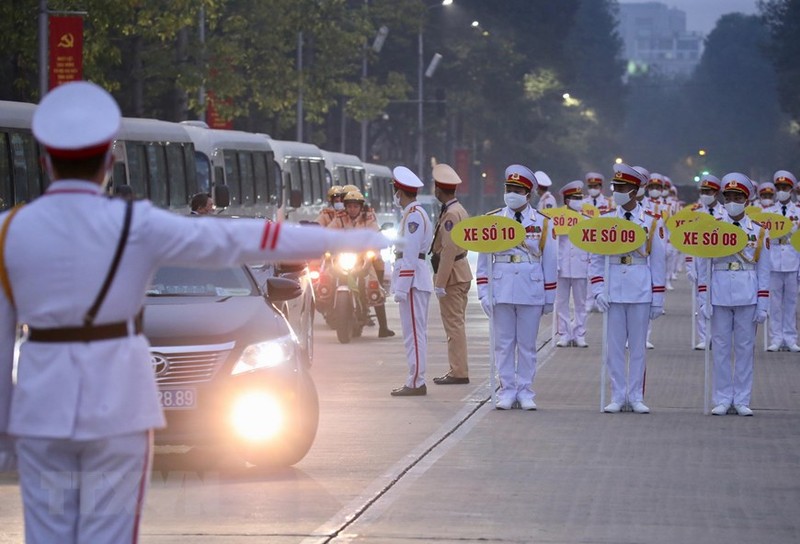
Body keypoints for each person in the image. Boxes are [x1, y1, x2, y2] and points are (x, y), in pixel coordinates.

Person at [0, 81, 388, 544]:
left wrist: (6, 430)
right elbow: (237, 240)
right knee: (111, 531)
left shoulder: (10, 231)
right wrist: (341, 241)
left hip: (44, 409)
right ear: (109, 160)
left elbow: (3, 345)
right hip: (120, 404)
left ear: (44, 161)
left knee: (47, 533)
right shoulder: (136, 224)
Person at [476, 164, 557, 410]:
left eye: (517, 189)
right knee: (503, 343)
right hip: (500, 287)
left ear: (528, 194)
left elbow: (551, 260)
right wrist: (483, 291)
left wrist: (549, 296)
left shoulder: (542, 222)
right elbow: (483, 261)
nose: (511, 193)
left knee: (527, 344)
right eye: (508, 188)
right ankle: (507, 390)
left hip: (530, 287)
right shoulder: (492, 220)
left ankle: (525, 390)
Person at [589, 163, 666, 414]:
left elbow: (658, 261)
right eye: (616, 187)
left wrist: (658, 298)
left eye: (622, 188)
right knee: (613, 348)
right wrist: (598, 289)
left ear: (634, 191)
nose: (617, 192)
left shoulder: (652, 222)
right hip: (613, 288)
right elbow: (596, 258)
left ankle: (635, 396)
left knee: (637, 347)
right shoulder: (606, 220)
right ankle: (618, 395)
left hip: (640, 288)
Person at [697, 173, 770, 416]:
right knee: (719, 348)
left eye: (737, 196)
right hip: (718, 292)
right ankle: (721, 398)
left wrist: (763, 303)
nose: (732, 201)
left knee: (745, 348)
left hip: (747, 293)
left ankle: (741, 399)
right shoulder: (712, 228)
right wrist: (703, 298)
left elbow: (764, 269)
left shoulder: (759, 231)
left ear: (747, 200)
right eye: (728, 197)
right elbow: (703, 265)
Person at [327, 189, 394, 338]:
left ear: (361, 207)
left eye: (355, 206)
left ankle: (383, 327)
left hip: (364, 261)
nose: (352, 209)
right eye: (349, 206)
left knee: (374, 286)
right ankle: (332, 311)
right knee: (327, 278)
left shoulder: (368, 219)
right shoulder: (339, 219)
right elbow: (328, 232)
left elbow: (377, 235)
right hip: (344, 259)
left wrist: (377, 245)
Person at [390, 166, 433, 396]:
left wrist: (402, 287)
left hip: (414, 281)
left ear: (401, 192)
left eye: (396, 191)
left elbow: (410, 253)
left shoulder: (414, 216)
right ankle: (415, 378)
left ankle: (416, 381)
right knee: (414, 333)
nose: (395, 196)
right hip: (415, 279)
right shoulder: (412, 213)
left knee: (414, 335)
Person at [429, 163, 472, 385]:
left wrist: (440, 282)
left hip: (453, 275)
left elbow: (448, 251)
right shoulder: (457, 209)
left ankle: (458, 371)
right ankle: (457, 368)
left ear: (439, 189)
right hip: (460, 272)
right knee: (457, 323)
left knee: (454, 325)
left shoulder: (451, 215)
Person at [686, 174, 727, 350]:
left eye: (708, 191)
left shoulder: (725, 214)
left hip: (718, 262)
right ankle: (704, 336)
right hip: (699, 260)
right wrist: (689, 265)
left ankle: (716, 335)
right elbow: (687, 241)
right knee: (701, 300)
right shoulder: (694, 214)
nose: (705, 194)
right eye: (703, 191)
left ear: (716, 193)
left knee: (718, 300)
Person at [761, 170, 800, 352]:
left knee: (791, 303)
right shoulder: (768, 212)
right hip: (774, 259)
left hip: (793, 259)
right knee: (774, 303)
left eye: (785, 188)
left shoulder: (798, 211)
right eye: (779, 188)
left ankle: (790, 338)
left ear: (791, 190)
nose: (782, 191)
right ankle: (776, 337)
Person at [555, 180, 590, 348]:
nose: (579, 200)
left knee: (580, 302)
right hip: (561, 265)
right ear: (567, 201)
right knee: (561, 302)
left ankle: (579, 333)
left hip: (581, 265)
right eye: (575, 197)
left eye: (580, 197)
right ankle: (563, 333)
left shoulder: (587, 220)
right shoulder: (557, 218)